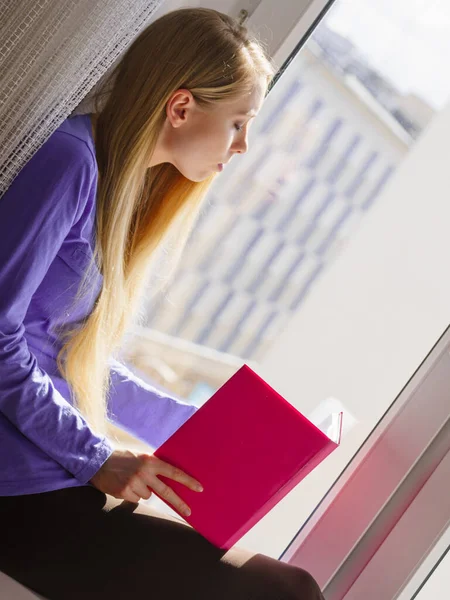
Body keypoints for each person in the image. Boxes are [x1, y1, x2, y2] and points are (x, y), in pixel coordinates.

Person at [0, 7, 325, 599]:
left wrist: (206, 432)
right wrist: (97, 455)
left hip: (54, 470)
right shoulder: (70, 160)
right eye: (238, 123)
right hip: (19, 486)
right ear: (180, 108)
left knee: (290, 586)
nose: (245, 146)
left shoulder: (113, 183)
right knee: (286, 592)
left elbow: (72, 353)